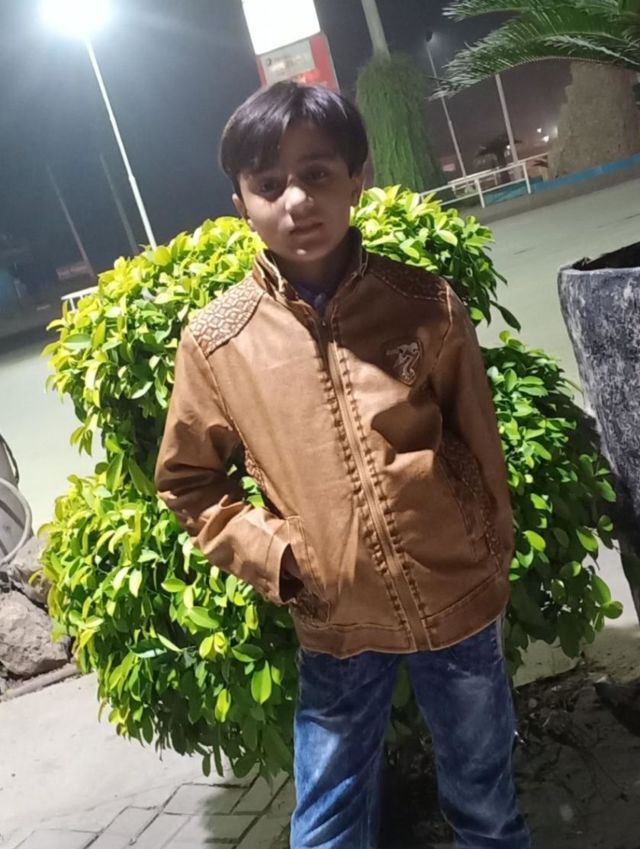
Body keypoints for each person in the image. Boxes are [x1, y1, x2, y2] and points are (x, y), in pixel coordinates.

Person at [155, 81, 530, 849]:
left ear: (357, 178)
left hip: (455, 596)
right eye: (269, 183)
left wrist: (490, 539)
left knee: (486, 802)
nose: (296, 200)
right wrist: (280, 557)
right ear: (241, 203)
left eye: (317, 173)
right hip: (334, 615)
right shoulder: (219, 342)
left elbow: (476, 435)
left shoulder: (423, 303)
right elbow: (188, 481)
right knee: (327, 818)